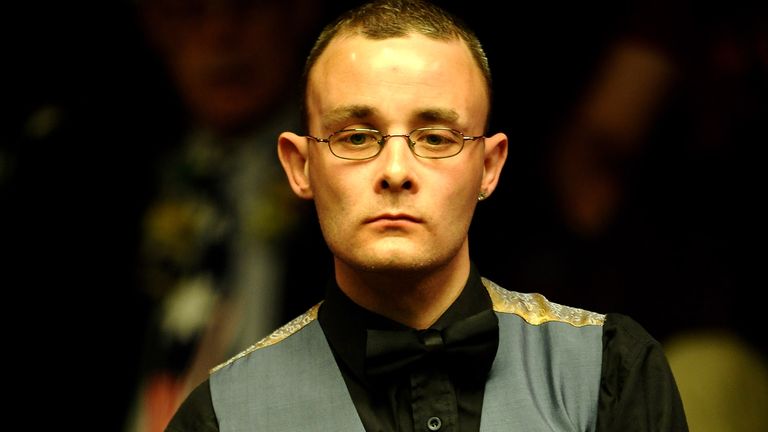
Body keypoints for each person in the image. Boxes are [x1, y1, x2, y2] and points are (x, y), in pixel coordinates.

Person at [166, 0, 688, 430]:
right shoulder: (221, 416)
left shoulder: (609, 371)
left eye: (436, 138)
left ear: (489, 166)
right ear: (300, 166)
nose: (396, 170)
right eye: (356, 137)